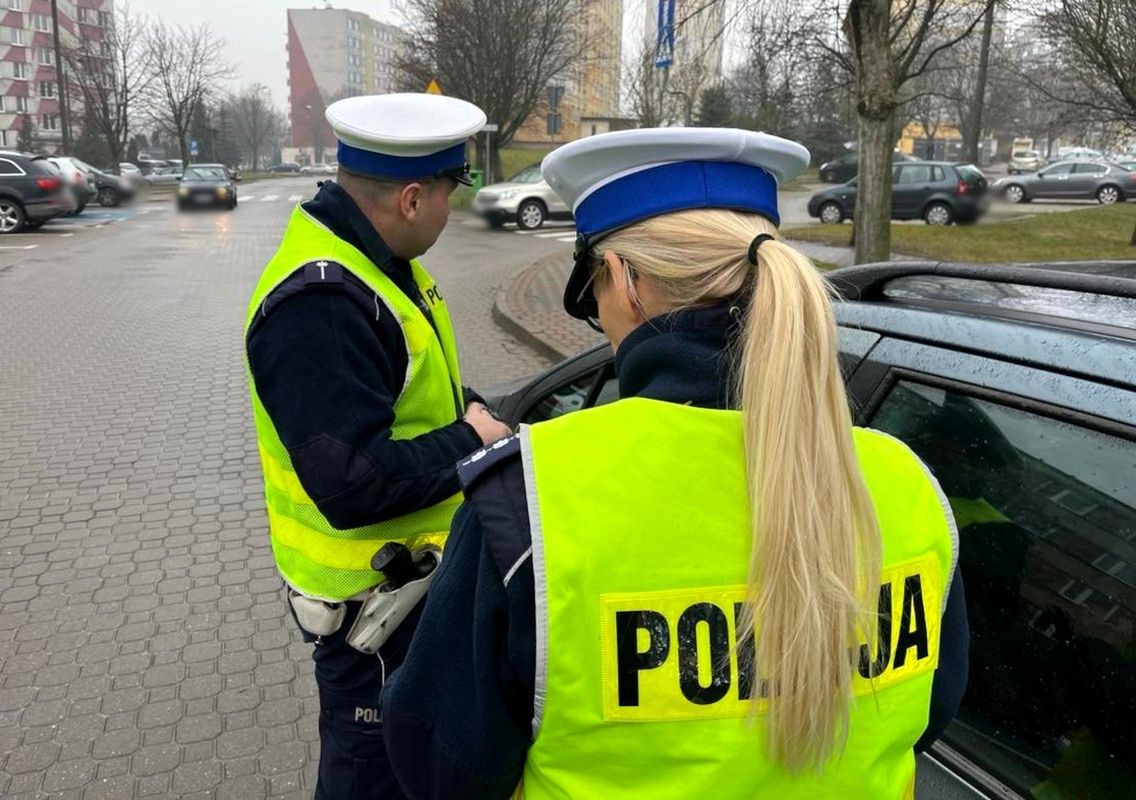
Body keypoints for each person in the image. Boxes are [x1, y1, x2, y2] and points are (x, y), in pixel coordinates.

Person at [381, 128, 970, 799]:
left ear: (629, 284)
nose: (597, 314)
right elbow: (928, 714)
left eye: (592, 285)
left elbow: (440, 765)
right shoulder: (909, 485)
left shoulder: (531, 502)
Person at [243, 93, 511, 800]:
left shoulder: (381, 266)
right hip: (371, 628)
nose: (455, 212)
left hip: (408, 603)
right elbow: (351, 484)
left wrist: (469, 410)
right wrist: (470, 439)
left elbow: (408, 388)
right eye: (454, 194)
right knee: (370, 777)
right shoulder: (321, 304)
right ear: (415, 198)